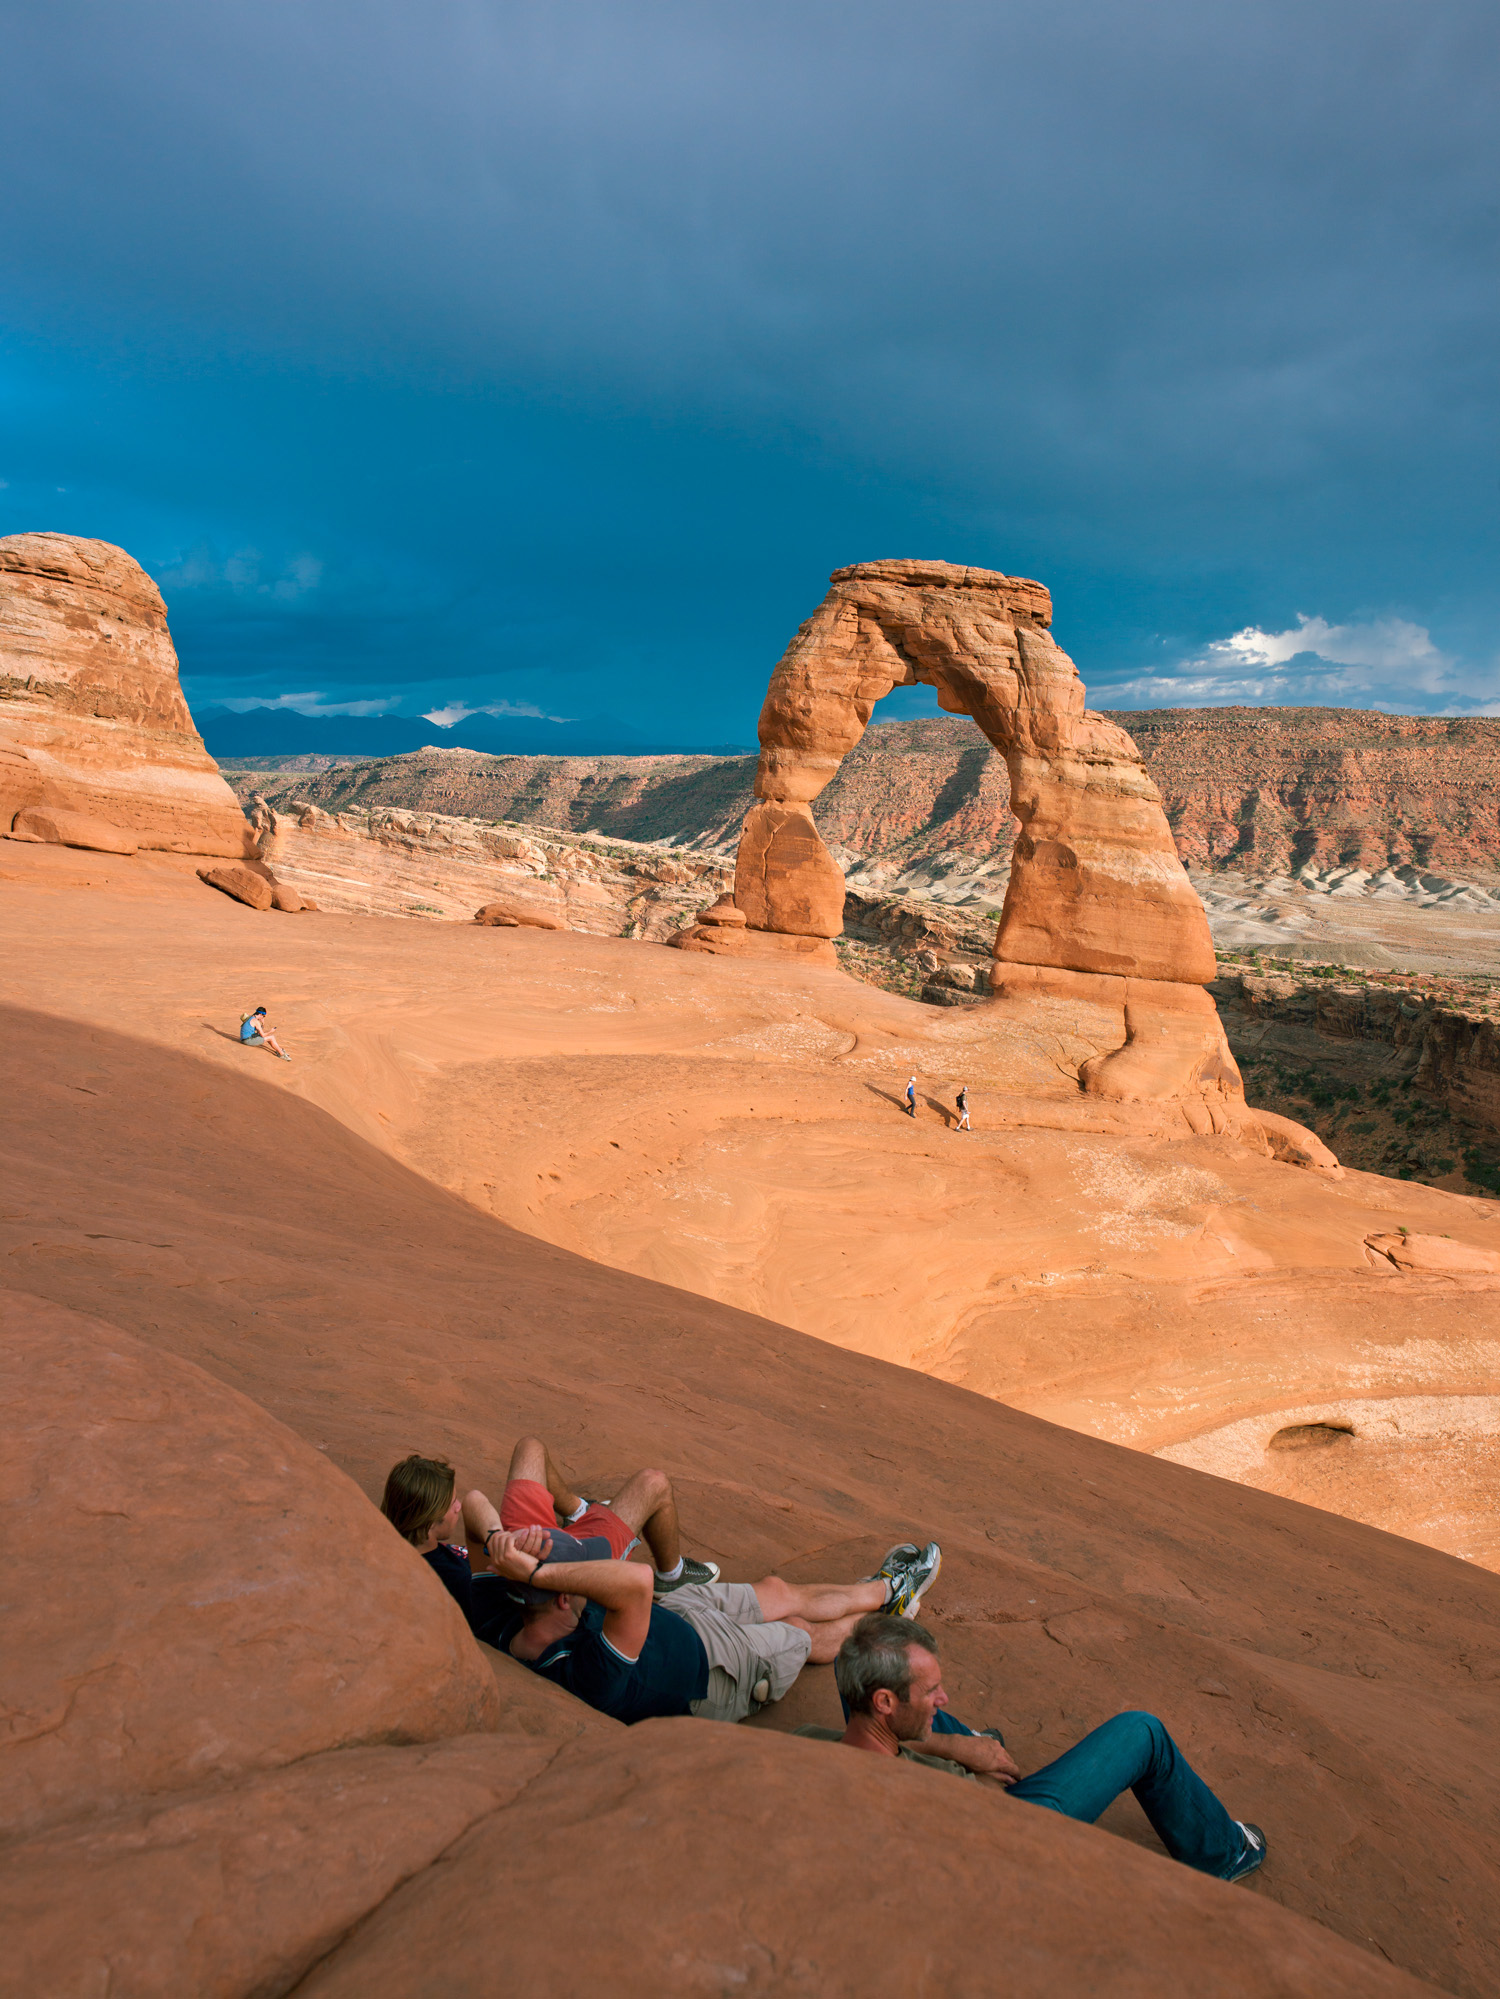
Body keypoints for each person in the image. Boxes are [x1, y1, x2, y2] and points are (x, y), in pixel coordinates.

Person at [797, 1615, 1266, 1884]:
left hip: (910, 1759)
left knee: (854, 1657)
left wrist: (958, 1745)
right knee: (1140, 1731)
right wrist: (977, 1765)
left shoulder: (805, 1742)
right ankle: (1221, 1853)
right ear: (886, 1704)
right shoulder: (928, 1791)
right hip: (1012, 1831)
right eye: (933, 1691)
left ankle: (971, 1737)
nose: (944, 1698)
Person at [483, 1531, 944, 1726]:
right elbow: (637, 1582)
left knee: (778, 1590)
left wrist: (501, 1543)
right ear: (562, 1593)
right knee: (799, 1630)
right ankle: (885, 1617)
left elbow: (477, 1509)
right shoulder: (581, 1669)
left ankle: (885, 1590)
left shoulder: (504, 1621)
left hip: (674, 1615)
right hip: (715, 1672)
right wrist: (538, 1573)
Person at [380, 1441, 719, 1643]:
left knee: (531, 1448)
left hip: (518, 1541)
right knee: (653, 1484)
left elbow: (473, 1504)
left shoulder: (398, 1542)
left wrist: (500, 1537)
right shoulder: (451, 1583)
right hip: (556, 1563)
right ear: (427, 1526)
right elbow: (529, 1602)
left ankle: (579, 1512)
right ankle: (671, 1577)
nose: (458, 1506)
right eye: (450, 1506)